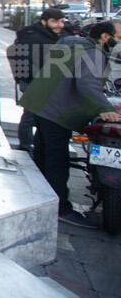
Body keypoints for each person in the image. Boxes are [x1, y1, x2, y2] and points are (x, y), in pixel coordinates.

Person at [19, 20, 121, 228]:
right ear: (105, 37)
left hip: (40, 103)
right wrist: (105, 108)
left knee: (43, 152)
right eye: (118, 38)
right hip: (57, 109)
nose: (118, 42)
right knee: (57, 159)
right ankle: (61, 209)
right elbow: (87, 83)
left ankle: (40, 197)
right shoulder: (94, 53)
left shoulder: (72, 43)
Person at [6, 7, 65, 152]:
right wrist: (40, 81)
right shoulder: (31, 36)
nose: (59, 25)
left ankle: (37, 146)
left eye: (61, 21)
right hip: (33, 82)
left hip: (49, 83)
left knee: (43, 117)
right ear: (44, 21)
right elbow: (24, 61)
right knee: (30, 116)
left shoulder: (55, 35)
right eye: (54, 21)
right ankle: (25, 147)